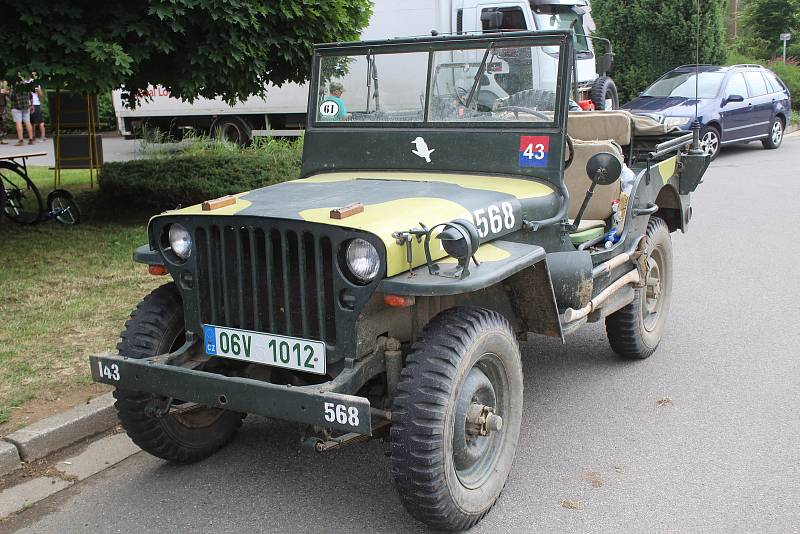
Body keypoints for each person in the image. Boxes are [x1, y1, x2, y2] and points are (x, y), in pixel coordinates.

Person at [11, 77, 35, 146]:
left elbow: (12, 97)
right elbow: (31, 96)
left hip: (16, 107)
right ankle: (31, 139)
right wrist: (32, 105)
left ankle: (21, 140)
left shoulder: (14, 87)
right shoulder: (27, 86)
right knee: (27, 122)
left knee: (18, 123)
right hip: (26, 107)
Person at [0, 80, 9, 144]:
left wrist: (6, 92)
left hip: (3, 105)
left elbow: (10, 93)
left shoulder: (5, 82)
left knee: (3, 122)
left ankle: (2, 138)